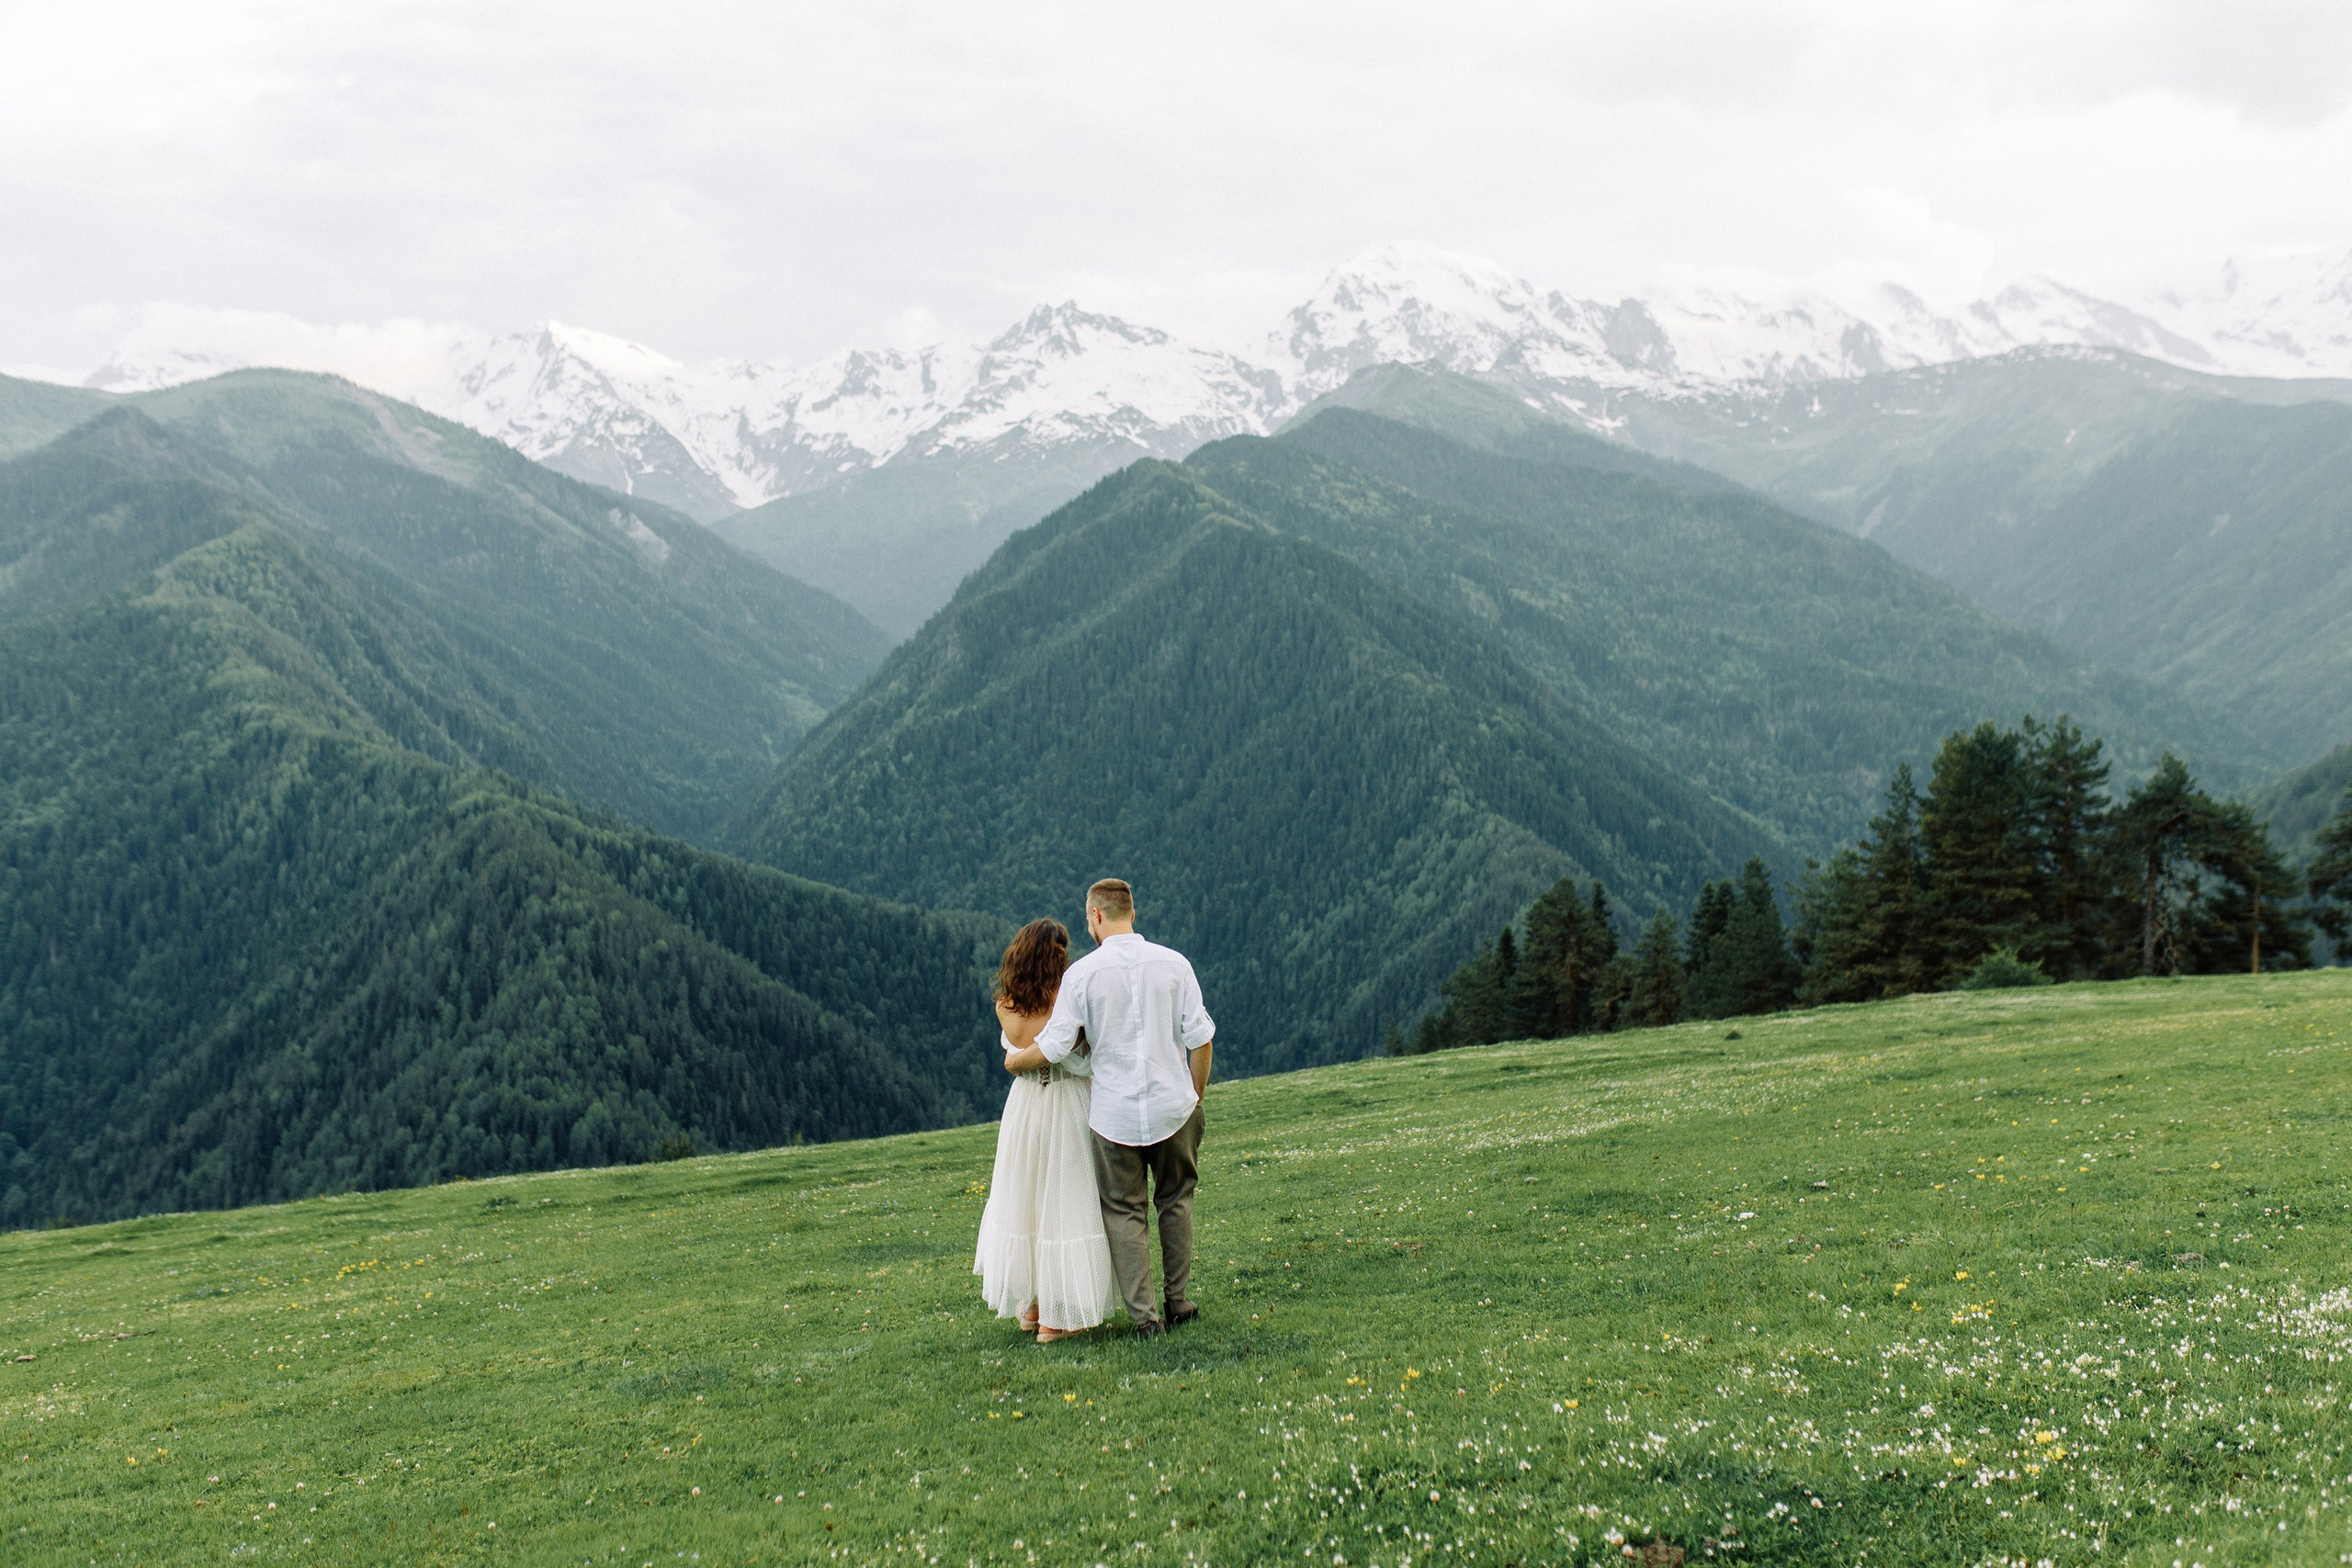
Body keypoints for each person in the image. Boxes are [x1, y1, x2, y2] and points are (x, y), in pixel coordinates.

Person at [1003, 879, 1215, 1339]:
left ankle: (1145, 1320)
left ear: (1096, 917)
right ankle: (1178, 1301)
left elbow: (1056, 1046)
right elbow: (1201, 1039)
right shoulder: (1175, 964)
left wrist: (1014, 1060)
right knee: (1176, 1201)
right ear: (1131, 913)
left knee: (1125, 1212)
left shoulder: (1081, 975)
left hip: (1113, 1116)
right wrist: (1195, 1095)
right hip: (1173, 1106)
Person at [972, 919, 1118, 1342]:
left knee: (1028, 1198)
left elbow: (1018, 1055)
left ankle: (1033, 1307)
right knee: (1066, 1199)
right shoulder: (1064, 999)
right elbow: (1075, 1056)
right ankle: (1057, 1319)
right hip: (1066, 1101)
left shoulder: (1006, 1005)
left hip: (1023, 1106)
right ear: (1055, 955)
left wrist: (1020, 1060)